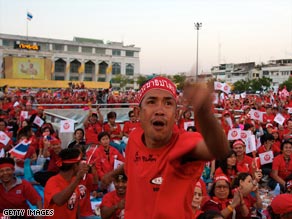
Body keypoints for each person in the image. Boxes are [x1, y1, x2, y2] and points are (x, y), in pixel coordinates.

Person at [103, 76, 230, 218]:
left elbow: (219, 149)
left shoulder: (185, 143)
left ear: (176, 115)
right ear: (138, 113)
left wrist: (203, 112)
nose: (160, 110)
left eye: (168, 103)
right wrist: (112, 174)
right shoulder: (134, 138)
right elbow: (132, 163)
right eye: (152, 102)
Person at [44, 148, 88, 219]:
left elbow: (76, 205)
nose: (82, 165)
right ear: (75, 166)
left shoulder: (73, 180)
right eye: (80, 162)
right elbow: (59, 201)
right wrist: (77, 179)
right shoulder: (52, 182)